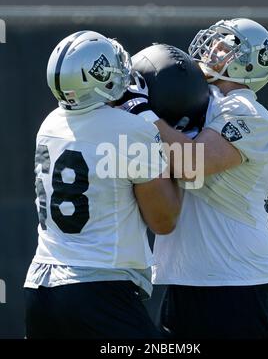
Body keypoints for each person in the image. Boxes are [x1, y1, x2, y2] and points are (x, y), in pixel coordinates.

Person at [123, 18, 268, 339]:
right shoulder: (198, 99)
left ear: (249, 64)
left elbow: (192, 164)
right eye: (217, 40)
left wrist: (141, 110)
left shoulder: (248, 111)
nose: (215, 47)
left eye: (228, 45)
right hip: (185, 277)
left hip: (236, 282)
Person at [24, 30, 182, 339]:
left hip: (40, 287)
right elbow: (164, 220)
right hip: (98, 289)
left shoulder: (50, 124)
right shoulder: (131, 129)